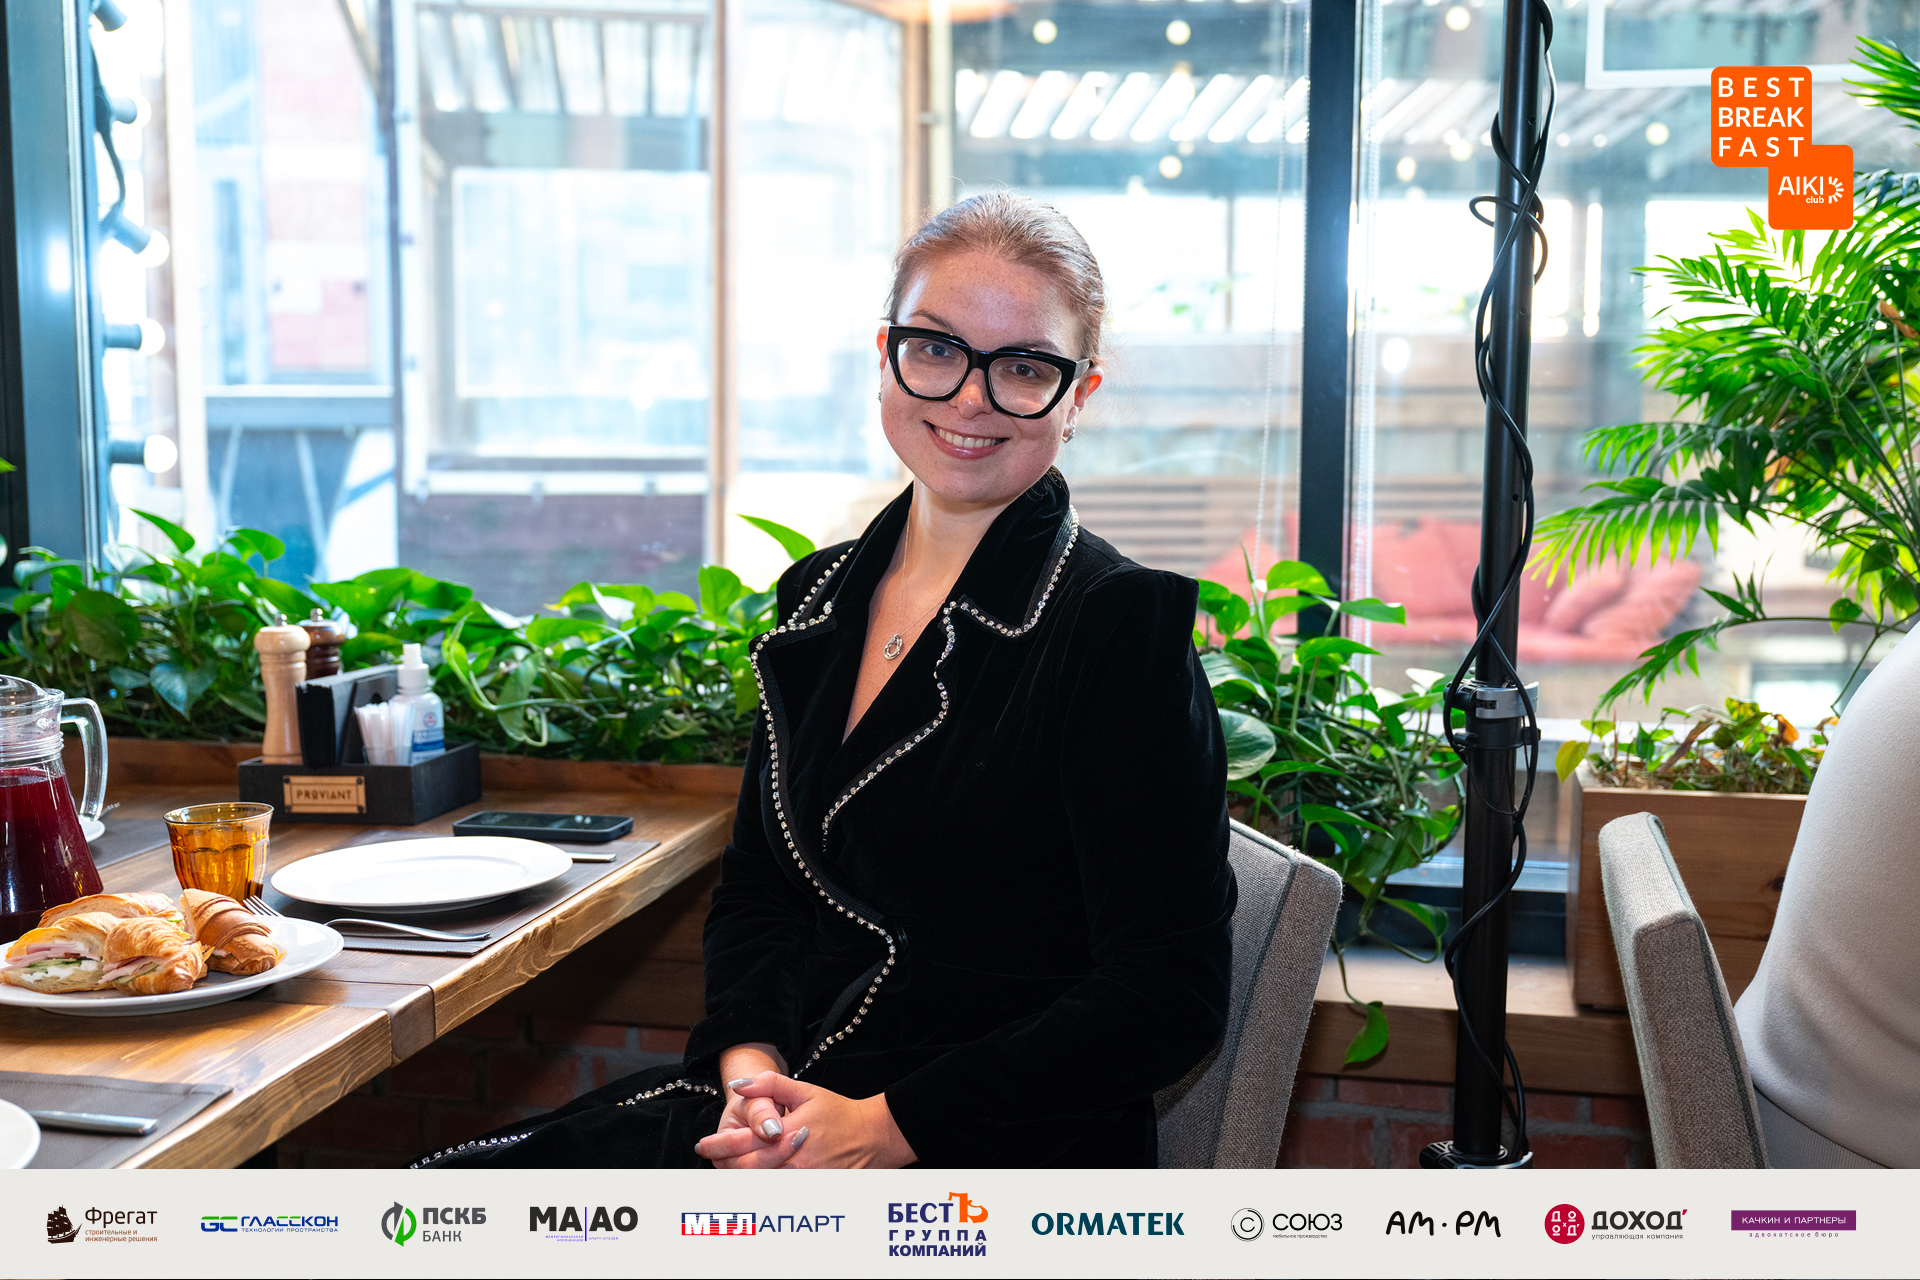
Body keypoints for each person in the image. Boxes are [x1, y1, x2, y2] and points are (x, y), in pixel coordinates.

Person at [414, 192, 1235, 1170]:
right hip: (784, 1108)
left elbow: (1168, 995)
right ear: (886, 354)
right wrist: (749, 1071)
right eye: (937, 348)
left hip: (982, 1150)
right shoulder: (818, 597)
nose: (970, 397)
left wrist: (882, 1127)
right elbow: (764, 888)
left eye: (1023, 366)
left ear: (1078, 395)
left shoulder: (1117, 627)